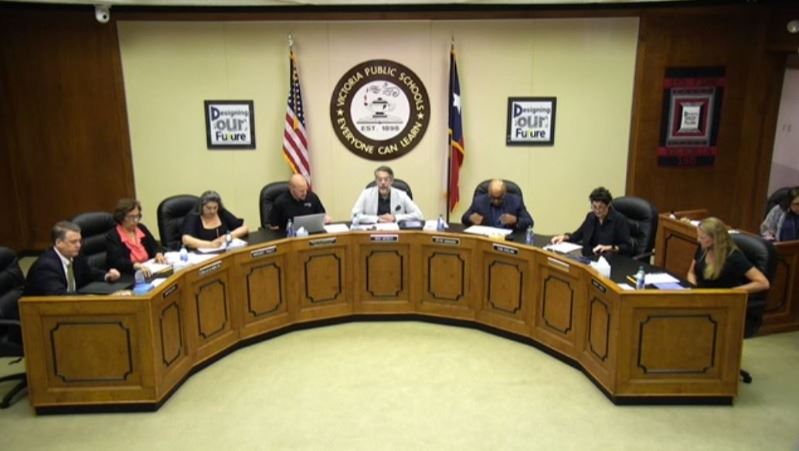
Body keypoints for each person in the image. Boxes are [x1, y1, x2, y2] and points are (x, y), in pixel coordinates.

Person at [24, 221, 121, 296]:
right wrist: (89, 298)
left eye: (80, 241)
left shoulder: (75, 256)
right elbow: (59, 296)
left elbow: (88, 273)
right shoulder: (46, 266)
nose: (79, 245)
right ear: (58, 243)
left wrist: (107, 276)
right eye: (73, 242)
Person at [687, 217, 769, 293]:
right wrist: (694, 289)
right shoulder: (703, 248)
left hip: (719, 299)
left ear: (715, 238)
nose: (698, 240)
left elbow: (763, 283)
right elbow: (691, 273)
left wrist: (731, 292)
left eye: (702, 237)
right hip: (700, 296)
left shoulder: (733, 256)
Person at [550, 186, 632, 256]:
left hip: (610, 260)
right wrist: (564, 237)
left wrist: (610, 247)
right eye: (594, 207)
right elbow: (577, 235)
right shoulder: (591, 217)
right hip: (590, 257)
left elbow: (627, 247)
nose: (597, 211)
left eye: (601, 207)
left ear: (608, 205)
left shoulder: (619, 220)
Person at [106, 198, 167, 277]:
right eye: (131, 217)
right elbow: (116, 261)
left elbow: (155, 246)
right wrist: (135, 265)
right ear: (121, 217)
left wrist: (158, 253)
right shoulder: (113, 235)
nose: (136, 220)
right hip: (129, 274)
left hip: (149, 270)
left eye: (137, 216)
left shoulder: (141, 228)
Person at [351, 165, 423, 224]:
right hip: (372, 231)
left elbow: (419, 215)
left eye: (386, 179)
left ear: (391, 181)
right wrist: (376, 219)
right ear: (376, 181)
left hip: (396, 232)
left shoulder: (401, 195)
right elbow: (354, 216)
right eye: (380, 179)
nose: (383, 182)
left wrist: (395, 218)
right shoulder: (366, 194)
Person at [182, 190, 248, 249]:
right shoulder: (194, 216)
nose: (212, 211)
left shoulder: (221, 212)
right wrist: (210, 245)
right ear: (201, 206)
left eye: (215, 207)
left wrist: (228, 236)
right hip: (202, 255)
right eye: (209, 208)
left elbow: (244, 228)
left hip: (223, 251)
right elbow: (186, 239)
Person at [461, 179, 533, 231]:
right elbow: (464, 217)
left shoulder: (515, 201)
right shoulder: (479, 201)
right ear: (489, 193)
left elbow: (530, 222)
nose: (496, 201)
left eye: (499, 198)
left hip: (508, 241)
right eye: (493, 198)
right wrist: (470, 218)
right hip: (486, 240)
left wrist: (516, 220)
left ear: (504, 193)